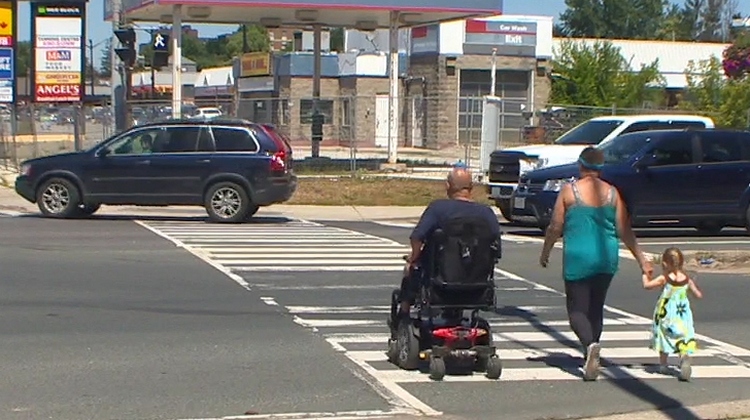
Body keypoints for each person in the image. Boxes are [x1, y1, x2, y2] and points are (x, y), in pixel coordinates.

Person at [539, 147, 652, 381]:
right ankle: (592, 350)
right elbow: (624, 230)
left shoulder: (569, 192)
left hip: (578, 257)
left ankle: (590, 346)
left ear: (580, 166)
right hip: (606, 257)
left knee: (577, 310)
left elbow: (555, 226)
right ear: (601, 168)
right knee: (595, 307)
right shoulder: (613, 194)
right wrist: (642, 260)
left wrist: (546, 251)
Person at [396, 166, 501, 316]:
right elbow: (496, 247)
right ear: (471, 188)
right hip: (477, 285)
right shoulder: (486, 213)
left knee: (410, 267)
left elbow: (417, 237)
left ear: (448, 186)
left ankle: (403, 314)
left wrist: (414, 257)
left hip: (439, 283)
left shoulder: (438, 208)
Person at [642, 247, 703, 382]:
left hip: (666, 313)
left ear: (665, 264)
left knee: (664, 335)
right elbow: (698, 294)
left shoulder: (664, 278)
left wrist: (645, 273)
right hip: (683, 314)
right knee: (683, 335)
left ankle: (663, 365)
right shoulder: (687, 279)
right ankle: (683, 356)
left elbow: (647, 285)